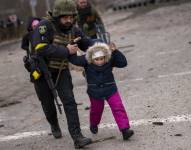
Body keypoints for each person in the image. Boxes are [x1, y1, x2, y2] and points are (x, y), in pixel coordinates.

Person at [28, 0, 93, 148]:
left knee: (69, 102)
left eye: (71, 17)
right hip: (41, 72)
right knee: (48, 104)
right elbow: (40, 48)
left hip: (61, 70)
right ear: (57, 16)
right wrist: (66, 51)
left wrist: (102, 46)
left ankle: (77, 137)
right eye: (65, 17)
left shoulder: (73, 29)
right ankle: (54, 124)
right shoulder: (44, 26)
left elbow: (86, 42)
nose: (68, 20)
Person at [69, 42, 134, 140]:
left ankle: (125, 130)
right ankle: (94, 124)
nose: (99, 61)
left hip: (110, 89)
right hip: (95, 92)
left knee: (118, 107)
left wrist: (115, 51)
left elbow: (123, 63)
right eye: (96, 59)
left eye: (101, 59)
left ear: (105, 57)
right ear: (92, 58)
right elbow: (74, 60)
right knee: (96, 111)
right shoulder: (86, 60)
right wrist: (72, 50)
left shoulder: (109, 59)